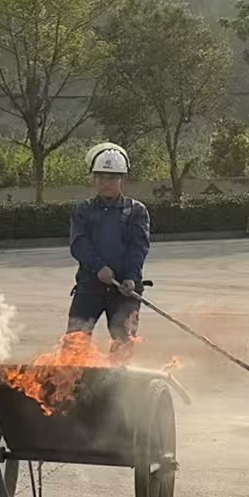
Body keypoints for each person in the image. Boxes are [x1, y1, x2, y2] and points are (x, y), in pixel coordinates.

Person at [68, 142, 152, 364]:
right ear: (94, 179)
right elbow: (79, 244)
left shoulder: (136, 211)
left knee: (123, 342)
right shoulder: (83, 211)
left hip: (125, 289)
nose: (107, 183)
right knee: (75, 341)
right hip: (90, 285)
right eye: (102, 177)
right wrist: (99, 267)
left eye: (113, 178)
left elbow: (138, 247)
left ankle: (117, 382)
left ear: (123, 180)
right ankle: (72, 381)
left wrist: (131, 277)